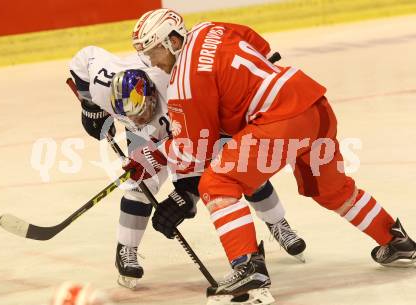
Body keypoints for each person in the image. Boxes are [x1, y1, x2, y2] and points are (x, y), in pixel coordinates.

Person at [128, 8, 416, 304]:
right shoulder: (209, 28)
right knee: (333, 189)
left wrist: (154, 155)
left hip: (281, 120)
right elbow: (259, 44)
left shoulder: (184, 82)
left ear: (173, 41)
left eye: (154, 52)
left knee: (217, 182)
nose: (152, 61)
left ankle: (248, 268)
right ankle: (396, 241)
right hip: (313, 104)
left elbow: (196, 150)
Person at [68, 46, 307, 289]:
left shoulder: (178, 94)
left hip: (188, 130)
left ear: (152, 96)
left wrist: (185, 197)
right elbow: (83, 57)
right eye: (129, 117)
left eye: (142, 113)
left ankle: (279, 224)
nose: (136, 121)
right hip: (151, 137)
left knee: (240, 170)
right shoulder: (104, 85)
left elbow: (200, 154)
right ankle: (125, 249)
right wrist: (89, 106)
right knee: (140, 186)